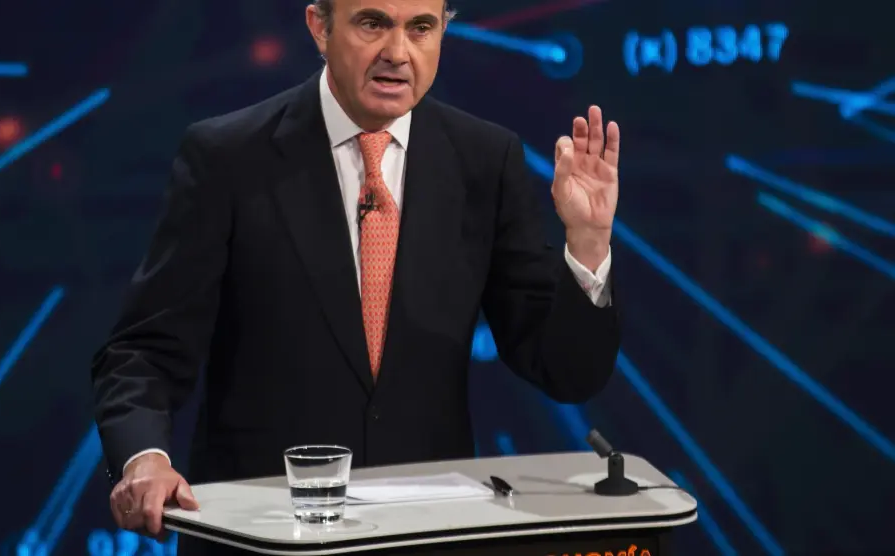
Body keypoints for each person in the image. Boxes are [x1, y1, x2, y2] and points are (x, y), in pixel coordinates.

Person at [91, 0, 622, 552]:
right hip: (263, 536)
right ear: (320, 27)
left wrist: (588, 242)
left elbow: (565, 372)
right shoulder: (228, 158)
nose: (397, 53)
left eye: (421, 28)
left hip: (425, 537)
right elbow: (145, 350)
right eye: (373, 23)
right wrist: (144, 458)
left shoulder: (485, 161)